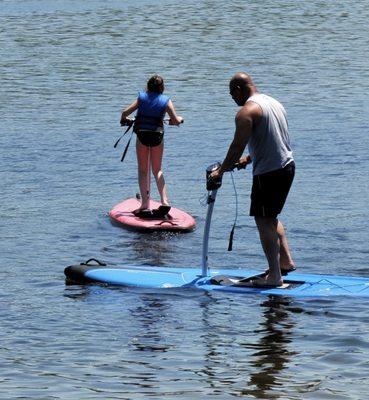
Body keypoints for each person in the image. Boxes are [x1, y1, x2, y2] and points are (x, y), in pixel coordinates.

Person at [210, 72, 295, 287]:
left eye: (232, 95)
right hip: (287, 166)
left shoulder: (245, 112)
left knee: (263, 219)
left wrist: (221, 170)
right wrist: (248, 158)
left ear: (239, 89)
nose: (233, 99)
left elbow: (237, 145)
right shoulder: (273, 102)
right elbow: (272, 137)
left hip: (269, 172)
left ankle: (274, 276)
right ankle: (285, 262)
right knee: (270, 216)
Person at [120, 75, 183, 217]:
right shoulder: (166, 100)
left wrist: (124, 119)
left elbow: (124, 113)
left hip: (142, 136)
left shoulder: (141, 98)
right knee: (157, 170)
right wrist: (178, 120)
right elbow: (175, 120)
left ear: (148, 86)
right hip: (157, 136)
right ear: (162, 88)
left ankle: (145, 204)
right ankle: (165, 201)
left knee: (143, 171)